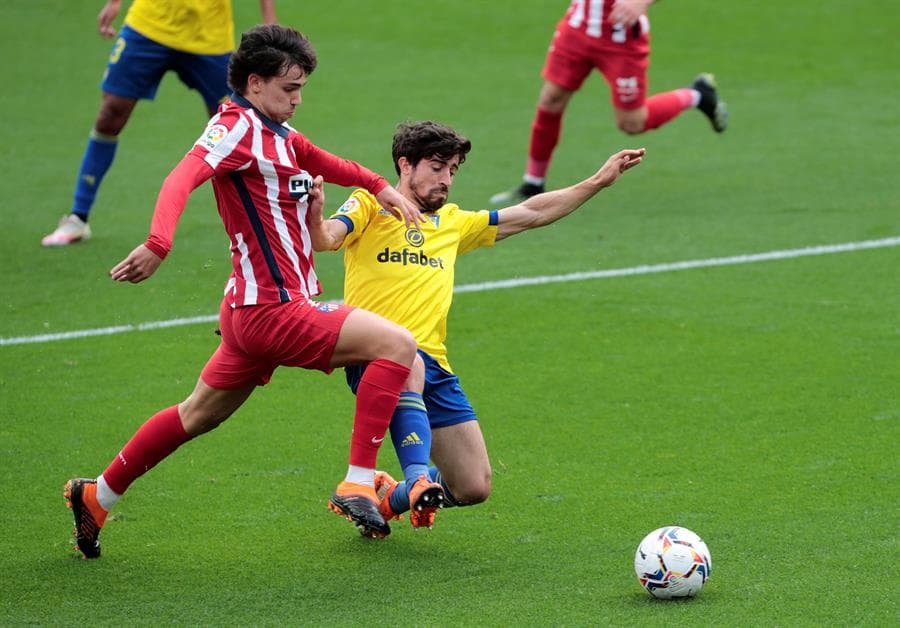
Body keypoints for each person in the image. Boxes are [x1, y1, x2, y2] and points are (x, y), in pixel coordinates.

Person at [63, 24, 429, 559]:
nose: (298, 100)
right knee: (398, 345)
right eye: (290, 88)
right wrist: (159, 243)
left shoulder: (276, 131)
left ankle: (98, 494)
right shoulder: (232, 128)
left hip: (251, 310)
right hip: (272, 309)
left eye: (302, 88)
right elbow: (180, 178)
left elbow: (329, 163)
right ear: (255, 83)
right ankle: (357, 480)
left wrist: (380, 187)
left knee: (198, 414)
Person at [308, 121, 644, 529]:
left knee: (472, 486)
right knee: (406, 356)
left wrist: (597, 181)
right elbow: (326, 239)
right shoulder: (369, 205)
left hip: (435, 364)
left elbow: (532, 212)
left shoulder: (452, 222)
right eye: (437, 167)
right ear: (405, 165)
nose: (446, 179)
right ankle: (415, 478)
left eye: (453, 170)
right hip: (375, 354)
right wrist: (314, 215)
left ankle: (390, 497)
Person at [42, 0, 278, 247]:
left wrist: (269, 19)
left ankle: (264, 218)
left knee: (238, 124)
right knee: (111, 113)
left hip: (208, 34)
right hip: (149, 24)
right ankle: (78, 218)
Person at [490, 0, 725, 206]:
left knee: (632, 123)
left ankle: (698, 95)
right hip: (577, 28)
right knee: (551, 100)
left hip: (621, 38)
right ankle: (533, 183)